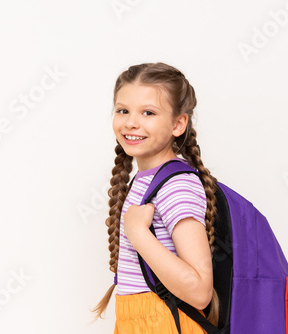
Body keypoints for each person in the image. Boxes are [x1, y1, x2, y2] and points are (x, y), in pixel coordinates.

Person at [92, 62, 220, 333]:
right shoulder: (145, 179)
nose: (131, 122)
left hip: (164, 322)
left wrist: (139, 234)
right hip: (142, 320)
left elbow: (200, 292)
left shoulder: (176, 186)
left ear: (178, 123)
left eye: (148, 112)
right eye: (122, 110)